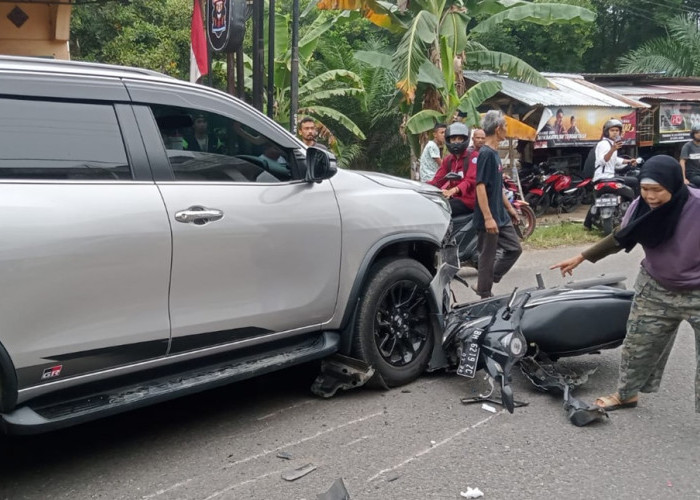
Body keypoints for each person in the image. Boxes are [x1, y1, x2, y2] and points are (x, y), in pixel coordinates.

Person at [551, 155, 700, 413]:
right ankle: (626, 394)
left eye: (658, 190)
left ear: (675, 186)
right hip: (656, 286)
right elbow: (620, 237)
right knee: (637, 345)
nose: (651, 196)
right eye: (645, 189)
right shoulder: (640, 207)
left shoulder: (696, 205)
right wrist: (582, 257)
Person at [473, 111, 522, 299]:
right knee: (487, 256)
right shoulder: (485, 154)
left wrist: (510, 209)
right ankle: (484, 293)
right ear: (497, 128)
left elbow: (497, 186)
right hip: (489, 217)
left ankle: (485, 281)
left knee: (514, 249)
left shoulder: (494, 153)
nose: (507, 131)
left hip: (500, 215)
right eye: (505, 127)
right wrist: (487, 218)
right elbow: (480, 186)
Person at [583, 119, 638, 229]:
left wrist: (628, 161)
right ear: (607, 132)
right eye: (612, 130)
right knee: (635, 181)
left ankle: (587, 224)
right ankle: (634, 213)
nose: (615, 132)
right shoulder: (604, 144)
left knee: (596, 201)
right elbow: (603, 160)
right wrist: (612, 149)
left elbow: (615, 160)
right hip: (604, 177)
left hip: (607, 178)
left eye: (617, 130)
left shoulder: (611, 144)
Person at [428, 123, 474, 215]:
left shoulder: (473, 157)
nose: (456, 142)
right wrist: (421, 188)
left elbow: (470, 180)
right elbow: (437, 181)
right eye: (453, 139)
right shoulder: (448, 160)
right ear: (448, 140)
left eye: (460, 139)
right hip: (454, 198)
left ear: (465, 140)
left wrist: (453, 190)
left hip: (469, 200)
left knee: (442, 209)